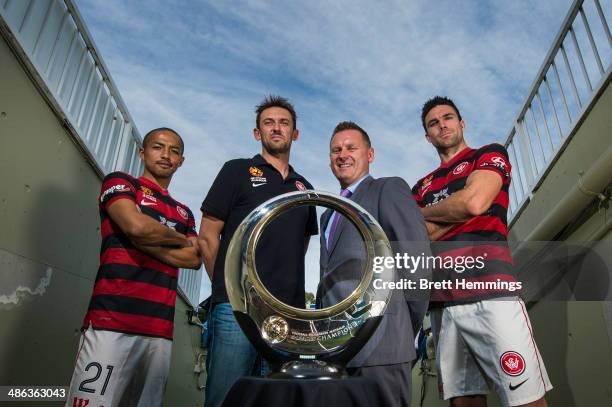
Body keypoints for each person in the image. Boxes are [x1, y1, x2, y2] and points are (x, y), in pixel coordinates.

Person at [412, 96, 552, 407]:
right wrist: (459, 209)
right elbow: (422, 237)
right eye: (433, 123)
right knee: (464, 402)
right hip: (443, 303)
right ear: (427, 135)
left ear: (461, 123)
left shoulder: (488, 154)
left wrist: (432, 212)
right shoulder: (421, 186)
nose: (442, 125)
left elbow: (475, 201)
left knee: (525, 398)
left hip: (492, 293)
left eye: (448, 117)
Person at [65, 128, 201, 407]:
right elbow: (136, 226)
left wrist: (144, 238)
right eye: (158, 147)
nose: (165, 155)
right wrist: (172, 239)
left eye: (174, 151)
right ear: (142, 152)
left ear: (181, 161)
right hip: (110, 323)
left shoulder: (184, 211)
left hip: (159, 332)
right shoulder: (121, 182)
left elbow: (194, 259)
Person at [198, 95, 318, 407]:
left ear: (295, 133)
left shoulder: (305, 187)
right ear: (257, 133)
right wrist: (229, 288)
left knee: (276, 400)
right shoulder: (236, 171)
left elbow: (298, 247)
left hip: (286, 315)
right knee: (227, 398)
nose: (276, 128)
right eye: (269, 123)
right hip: (237, 310)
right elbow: (208, 236)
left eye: (284, 123)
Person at [318, 121, 430, 407]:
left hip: (383, 345)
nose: (342, 154)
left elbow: (415, 259)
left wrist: (404, 325)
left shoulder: (388, 189)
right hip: (336, 351)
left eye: (351, 147)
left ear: (370, 154)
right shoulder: (327, 216)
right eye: (336, 150)